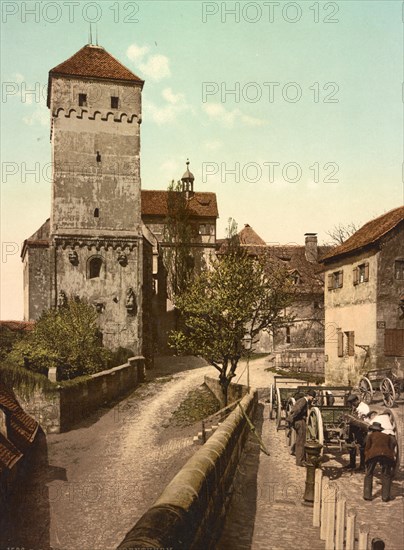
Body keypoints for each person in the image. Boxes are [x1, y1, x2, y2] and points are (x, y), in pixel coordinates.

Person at [363, 421, 396, 502]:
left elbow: (366, 447)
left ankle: (367, 496)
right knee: (386, 475)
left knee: (369, 474)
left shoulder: (370, 436)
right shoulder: (387, 436)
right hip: (386, 455)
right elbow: (393, 444)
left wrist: (366, 457)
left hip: (373, 454)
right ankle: (385, 497)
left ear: (372, 429)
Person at [286, 389, 316, 467]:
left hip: (298, 421)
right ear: (309, 396)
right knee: (301, 442)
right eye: (312, 397)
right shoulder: (303, 401)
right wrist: (291, 419)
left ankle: (299, 457)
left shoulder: (301, 400)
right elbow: (296, 410)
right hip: (299, 422)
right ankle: (300, 461)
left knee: (299, 440)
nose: (313, 399)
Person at [344, 393, 371, 471]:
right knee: (351, 444)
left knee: (362, 447)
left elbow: (362, 421)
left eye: (353, 403)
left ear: (356, 400)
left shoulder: (363, 408)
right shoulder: (357, 407)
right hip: (355, 429)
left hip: (362, 429)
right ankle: (352, 464)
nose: (353, 405)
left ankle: (362, 466)